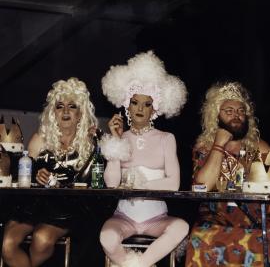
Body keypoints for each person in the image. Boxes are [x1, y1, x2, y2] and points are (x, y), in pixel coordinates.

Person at [99, 51, 189, 267]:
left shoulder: (167, 138)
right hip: (123, 218)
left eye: (146, 104)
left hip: (157, 219)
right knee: (106, 238)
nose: (140, 108)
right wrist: (116, 140)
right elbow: (111, 183)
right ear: (126, 106)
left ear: (154, 108)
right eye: (135, 102)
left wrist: (139, 183)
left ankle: (138, 265)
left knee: (182, 227)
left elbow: (173, 183)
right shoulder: (120, 138)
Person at [2, 77, 98, 267]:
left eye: (72, 106)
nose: (65, 111)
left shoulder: (90, 143)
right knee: (7, 244)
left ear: (81, 113)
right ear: (53, 112)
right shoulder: (40, 139)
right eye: (59, 106)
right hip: (34, 205)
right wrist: (35, 176)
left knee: (42, 240)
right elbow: (23, 175)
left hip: (66, 208)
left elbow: (94, 182)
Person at [185, 82, 270, 266]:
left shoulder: (258, 147)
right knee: (202, 237)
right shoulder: (205, 149)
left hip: (255, 219)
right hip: (215, 220)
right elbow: (202, 188)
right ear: (215, 116)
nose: (236, 116)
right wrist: (219, 145)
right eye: (229, 111)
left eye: (240, 111)